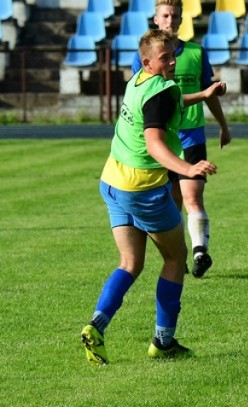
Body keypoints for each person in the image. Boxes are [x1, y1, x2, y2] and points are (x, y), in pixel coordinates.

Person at [81, 29, 226, 366]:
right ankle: (163, 341)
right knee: (176, 259)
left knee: (130, 263)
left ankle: (96, 326)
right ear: (148, 61)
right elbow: (155, 145)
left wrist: (203, 94)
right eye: (166, 58)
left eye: (174, 54)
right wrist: (188, 169)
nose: (173, 61)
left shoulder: (138, 81)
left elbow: (166, 103)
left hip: (112, 182)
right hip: (143, 189)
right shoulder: (161, 92)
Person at [132, 0, 232, 278]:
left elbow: (208, 93)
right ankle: (179, 255)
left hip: (191, 134)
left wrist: (223, 125)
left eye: (175, 15)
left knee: (192, 196)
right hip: (164, 137)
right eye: (165, 15)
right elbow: (139, 97)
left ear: (181, 18)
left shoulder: (197, 52)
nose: (170, 20)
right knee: (172, 200)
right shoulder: (145, 56)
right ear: (156, 19)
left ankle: (200, 250)